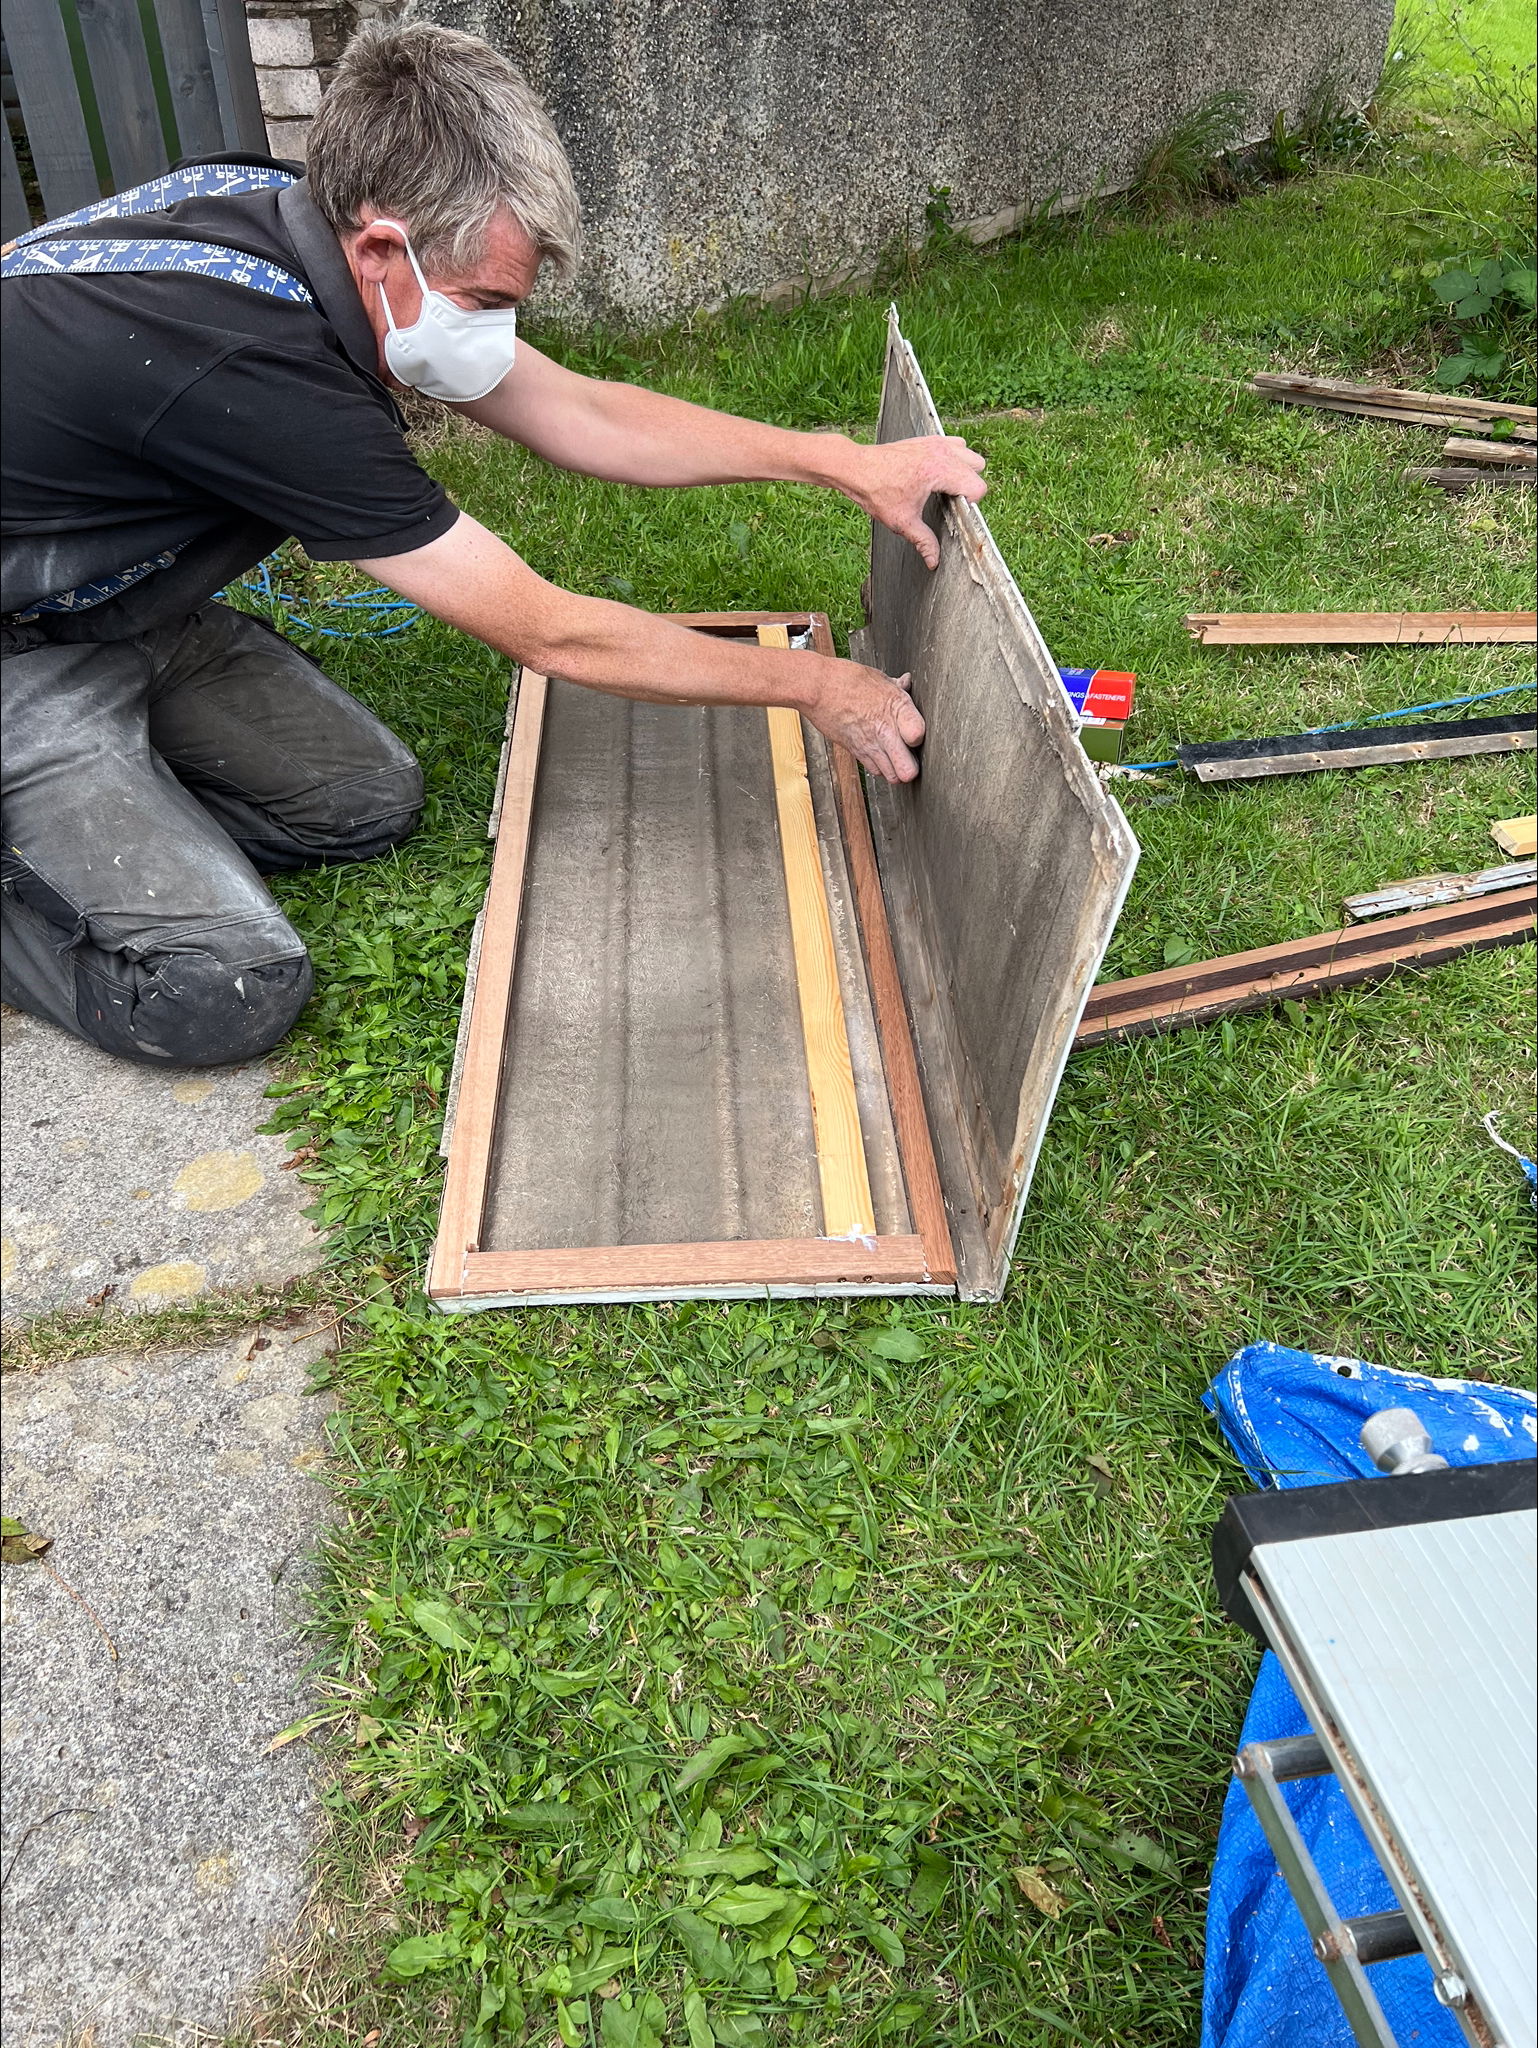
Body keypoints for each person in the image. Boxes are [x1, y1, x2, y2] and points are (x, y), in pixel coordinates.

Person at [0, 23, 985, 1069]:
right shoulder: (254, 372)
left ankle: (109, 779)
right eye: (486, 305)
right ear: (381, 248)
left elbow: (584, 413)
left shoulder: (289, 214)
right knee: (221, 987)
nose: (497, 338)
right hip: (18, 651)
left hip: (112, 609)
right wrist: (816, 688)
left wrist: (840, 461)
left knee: (360, 803)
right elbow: (551, 633)